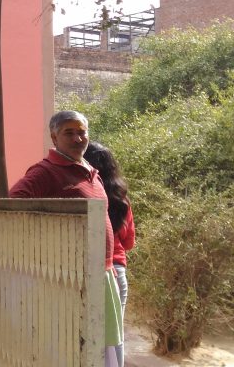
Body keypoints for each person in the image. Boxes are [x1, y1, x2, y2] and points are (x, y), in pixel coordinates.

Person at [9, 111, 122, 367]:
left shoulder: (90, 170)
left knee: (103, 346)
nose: (77, 138)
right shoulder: (45, 171)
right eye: (68, 132)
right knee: (78, 346)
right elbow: (14, 202)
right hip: (73, 276)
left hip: (102, 273)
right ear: (54, 137)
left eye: (81, 131)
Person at [85, 141, 135, 367]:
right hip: (117, 270)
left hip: (88, 269)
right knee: (115, 339)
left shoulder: (83, 194)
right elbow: (129, 242)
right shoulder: (121, 199)